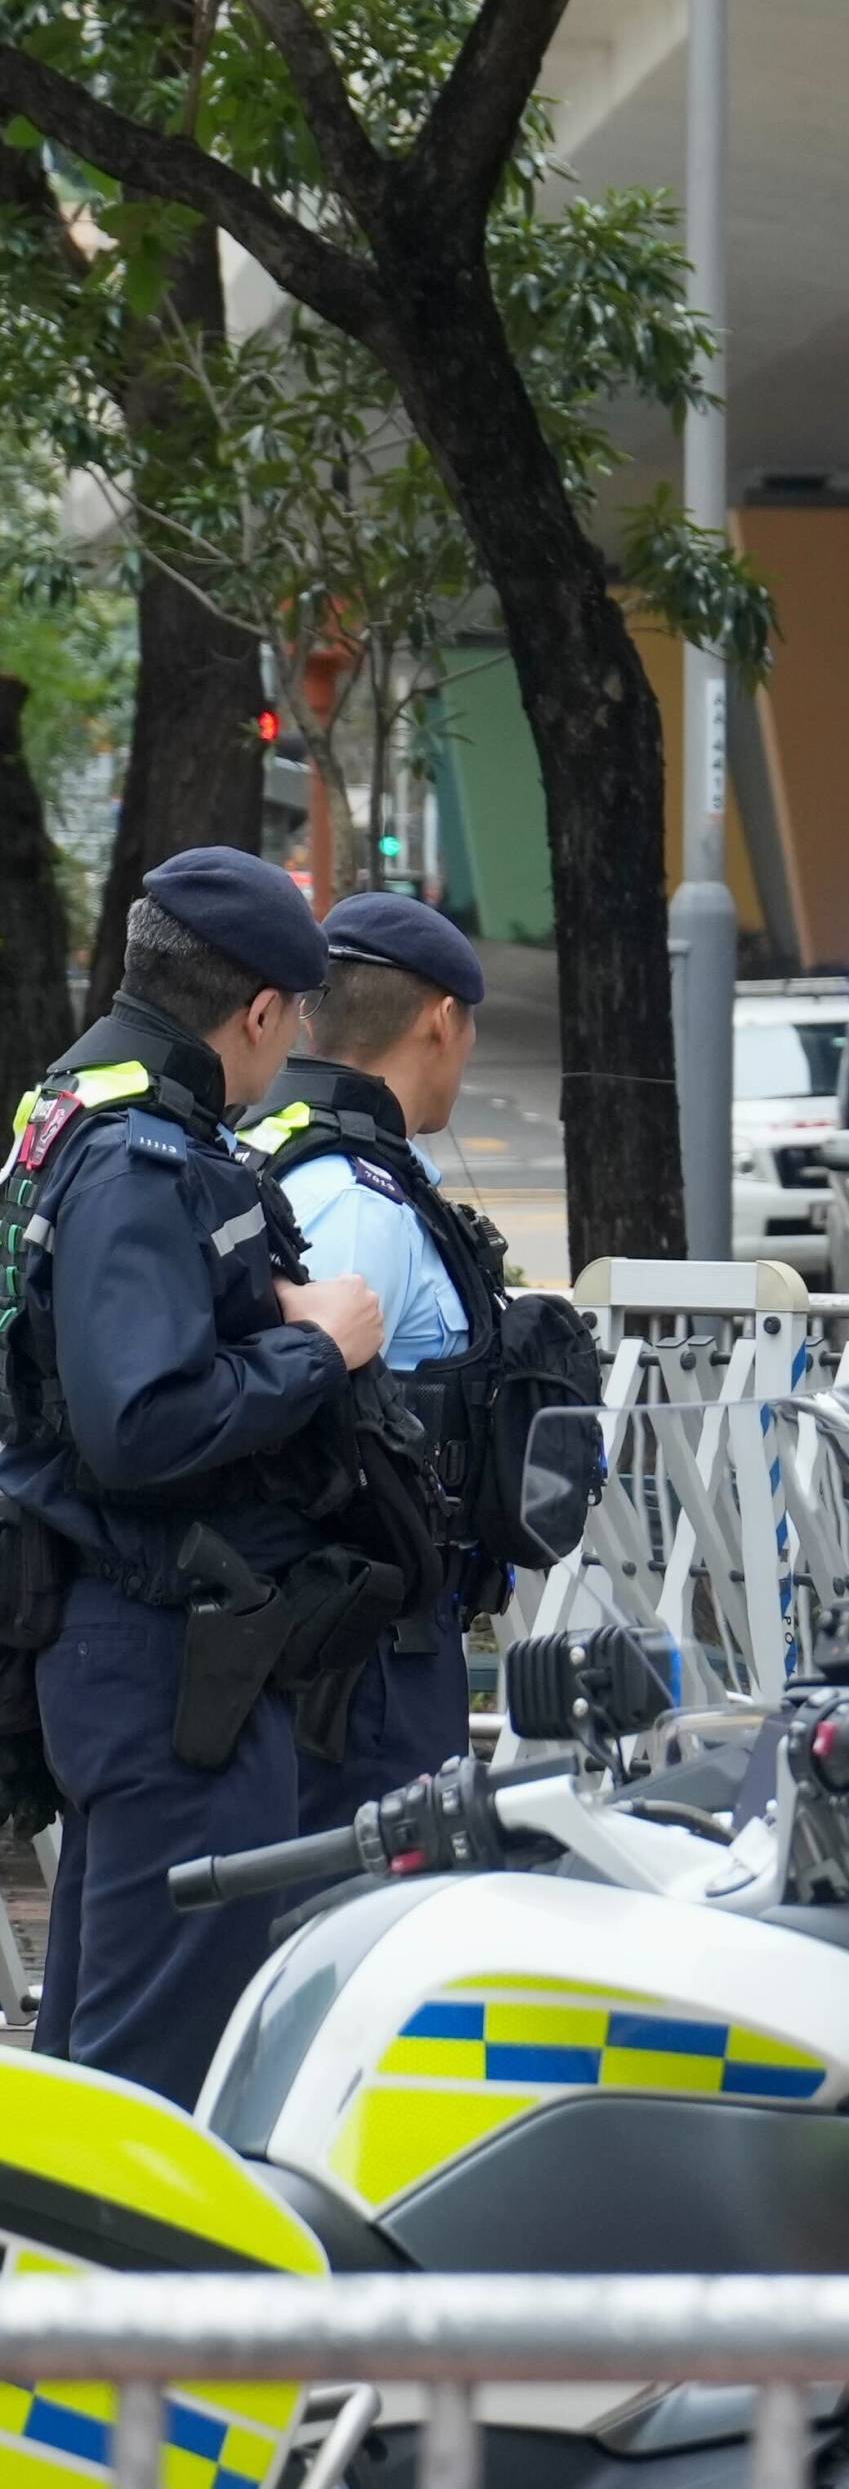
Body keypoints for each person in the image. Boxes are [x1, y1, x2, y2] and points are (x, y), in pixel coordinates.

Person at [0, 850, 385, 2100]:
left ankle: (61, 2295)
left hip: (149, 1646)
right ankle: (114, 2301)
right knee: (156, 2075)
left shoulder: (90, 1109)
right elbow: (139, 1424)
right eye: (300, 1014)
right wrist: (316, 1346)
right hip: (169, 1655)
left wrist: (265, 1313)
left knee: (100, 2060)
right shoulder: (140, 1157)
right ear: (262, 1010)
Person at [244, 892, 497, 1833]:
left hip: (354, 1631)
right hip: (363, 1651)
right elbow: (315, 1416)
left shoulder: (293, 1150)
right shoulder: (355, 1196)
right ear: (442, 1020)